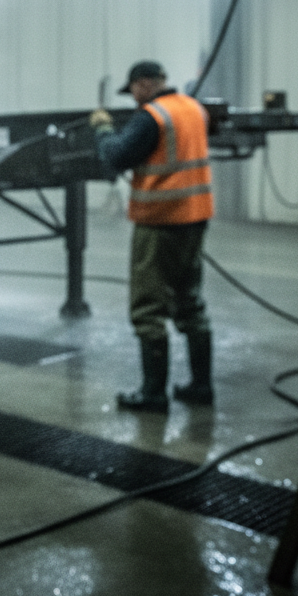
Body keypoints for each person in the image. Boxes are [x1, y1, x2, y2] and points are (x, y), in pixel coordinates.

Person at [89, 60, 215, 413]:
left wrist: (102, 130)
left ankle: (153, 394)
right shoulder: (193, 108)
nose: (134, 100)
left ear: (144, 84)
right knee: (190, 302)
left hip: (160, 221)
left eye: (134, 92)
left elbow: (116, 157)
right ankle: (201, 387)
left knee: (148, 308)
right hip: (195, 218)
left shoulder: (152, 117)